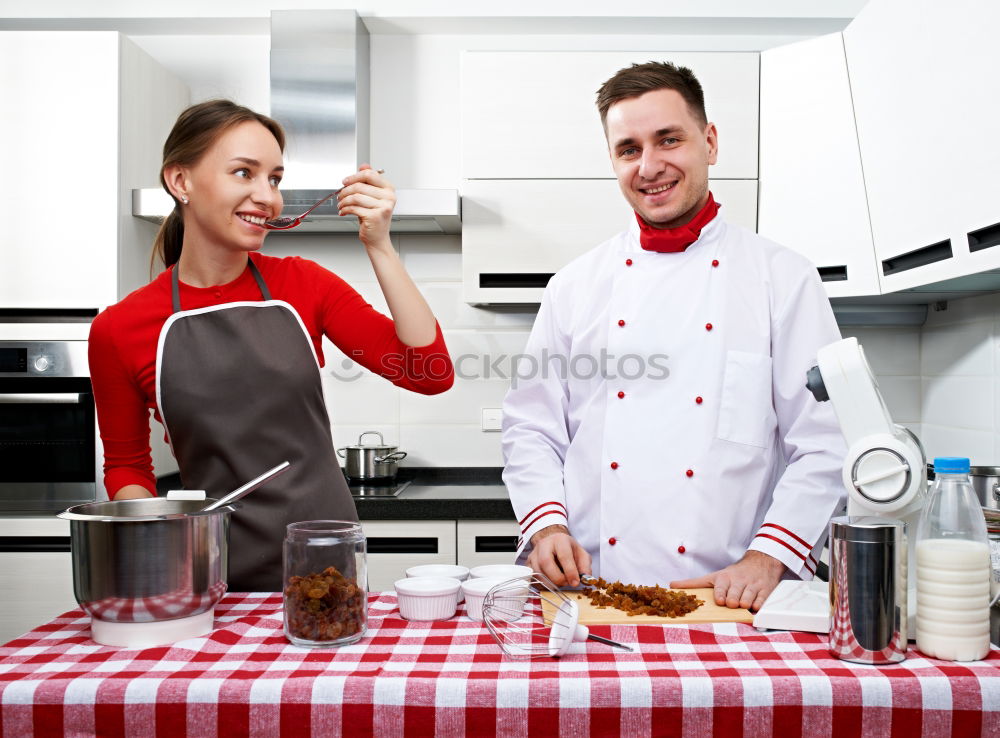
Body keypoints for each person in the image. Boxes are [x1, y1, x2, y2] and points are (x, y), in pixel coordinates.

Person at [501, 62, 846, 611]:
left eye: (669, 140)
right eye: (628, 149)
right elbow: (532, 429)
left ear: (709, 142)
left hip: (729, 596)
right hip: (595, 593)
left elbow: (826, 441)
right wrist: (546, 528)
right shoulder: (574, 286)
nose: (650, 166)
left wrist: (770, 556)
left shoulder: (782, 278)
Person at [89, 100, 454, 591]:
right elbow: (128, 466)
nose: (267, 196)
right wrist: (155, 541)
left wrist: (380, 245)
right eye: (245, 173)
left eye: (275, 179)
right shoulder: (119, 328)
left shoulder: (305, 284)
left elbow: (429, 374)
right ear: (181, 182)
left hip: (325, 561)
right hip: (208, 568)